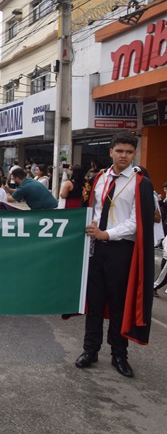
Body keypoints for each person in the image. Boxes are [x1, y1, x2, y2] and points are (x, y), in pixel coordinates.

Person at [75, 133, 154, 378]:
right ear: (111, 151)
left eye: (129, 152)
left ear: (134, 154)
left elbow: (136, 222)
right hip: (96, 249)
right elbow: (93, 209)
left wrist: (106, 234)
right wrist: (90, 228)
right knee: (95, 302)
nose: (123, 156)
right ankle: (90, 350)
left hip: (122, 250)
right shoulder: (99, 178)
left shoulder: (141, 183)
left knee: (119, 303)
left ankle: (119, 354)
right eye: (119, 151)